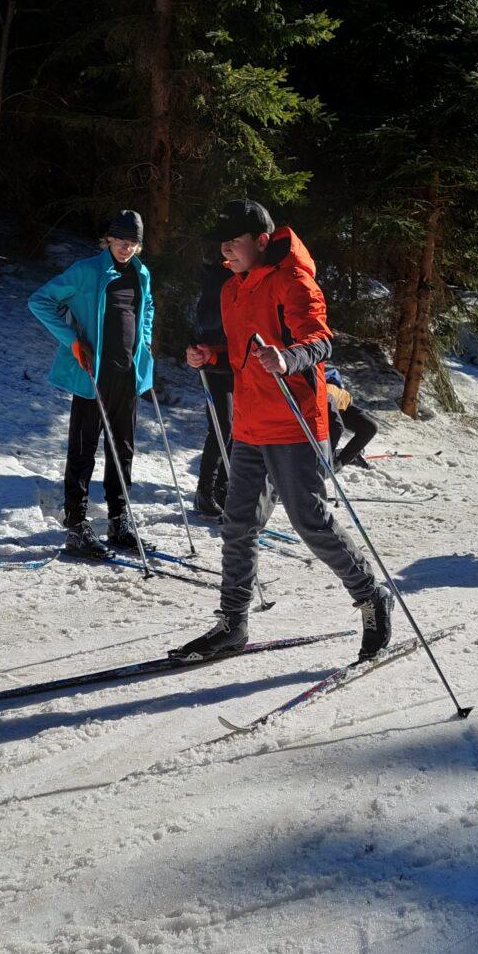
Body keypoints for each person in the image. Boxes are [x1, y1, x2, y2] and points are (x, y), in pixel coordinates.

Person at [174, 198, 392, 664]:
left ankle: (372, 596)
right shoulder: (233, 288)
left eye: (233, 242)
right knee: (237, 524)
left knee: (310, 521)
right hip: (250, 424)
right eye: (221, 244)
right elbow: (241, 356)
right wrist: (211, 356)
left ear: (260, 241)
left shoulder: (293, 280)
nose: (225, 251)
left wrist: (289, 357)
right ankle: (233, 623)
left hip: (295, 424)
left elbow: (321, 340)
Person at [28, 209, 154, 558]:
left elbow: (147, 308)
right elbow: (40, 301)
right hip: (92, 375)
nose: (126, 248)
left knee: (122, 451)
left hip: (127, 375)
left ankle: (119, 521)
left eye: (133, 242)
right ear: (108, 239)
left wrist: (145, 341)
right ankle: (76, 526)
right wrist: (72, 340)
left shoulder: (141, 273)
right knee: (83, 451)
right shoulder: (86, 271)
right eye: (121, 240)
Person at [192, 254, 233, 518]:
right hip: (214, 360)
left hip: (237, 362)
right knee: (222, 426)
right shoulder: (219, 277)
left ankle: (222, 488)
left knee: (235, 428)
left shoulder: (250, 275)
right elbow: (205, 320)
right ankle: (204, 491)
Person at [325, 366, 378, 470]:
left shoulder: (332, 390)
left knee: (369, 427)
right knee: (334, 429)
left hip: (339, 404)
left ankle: (341, 460)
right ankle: (338, 458)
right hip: (328, 405)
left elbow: (336, 428)